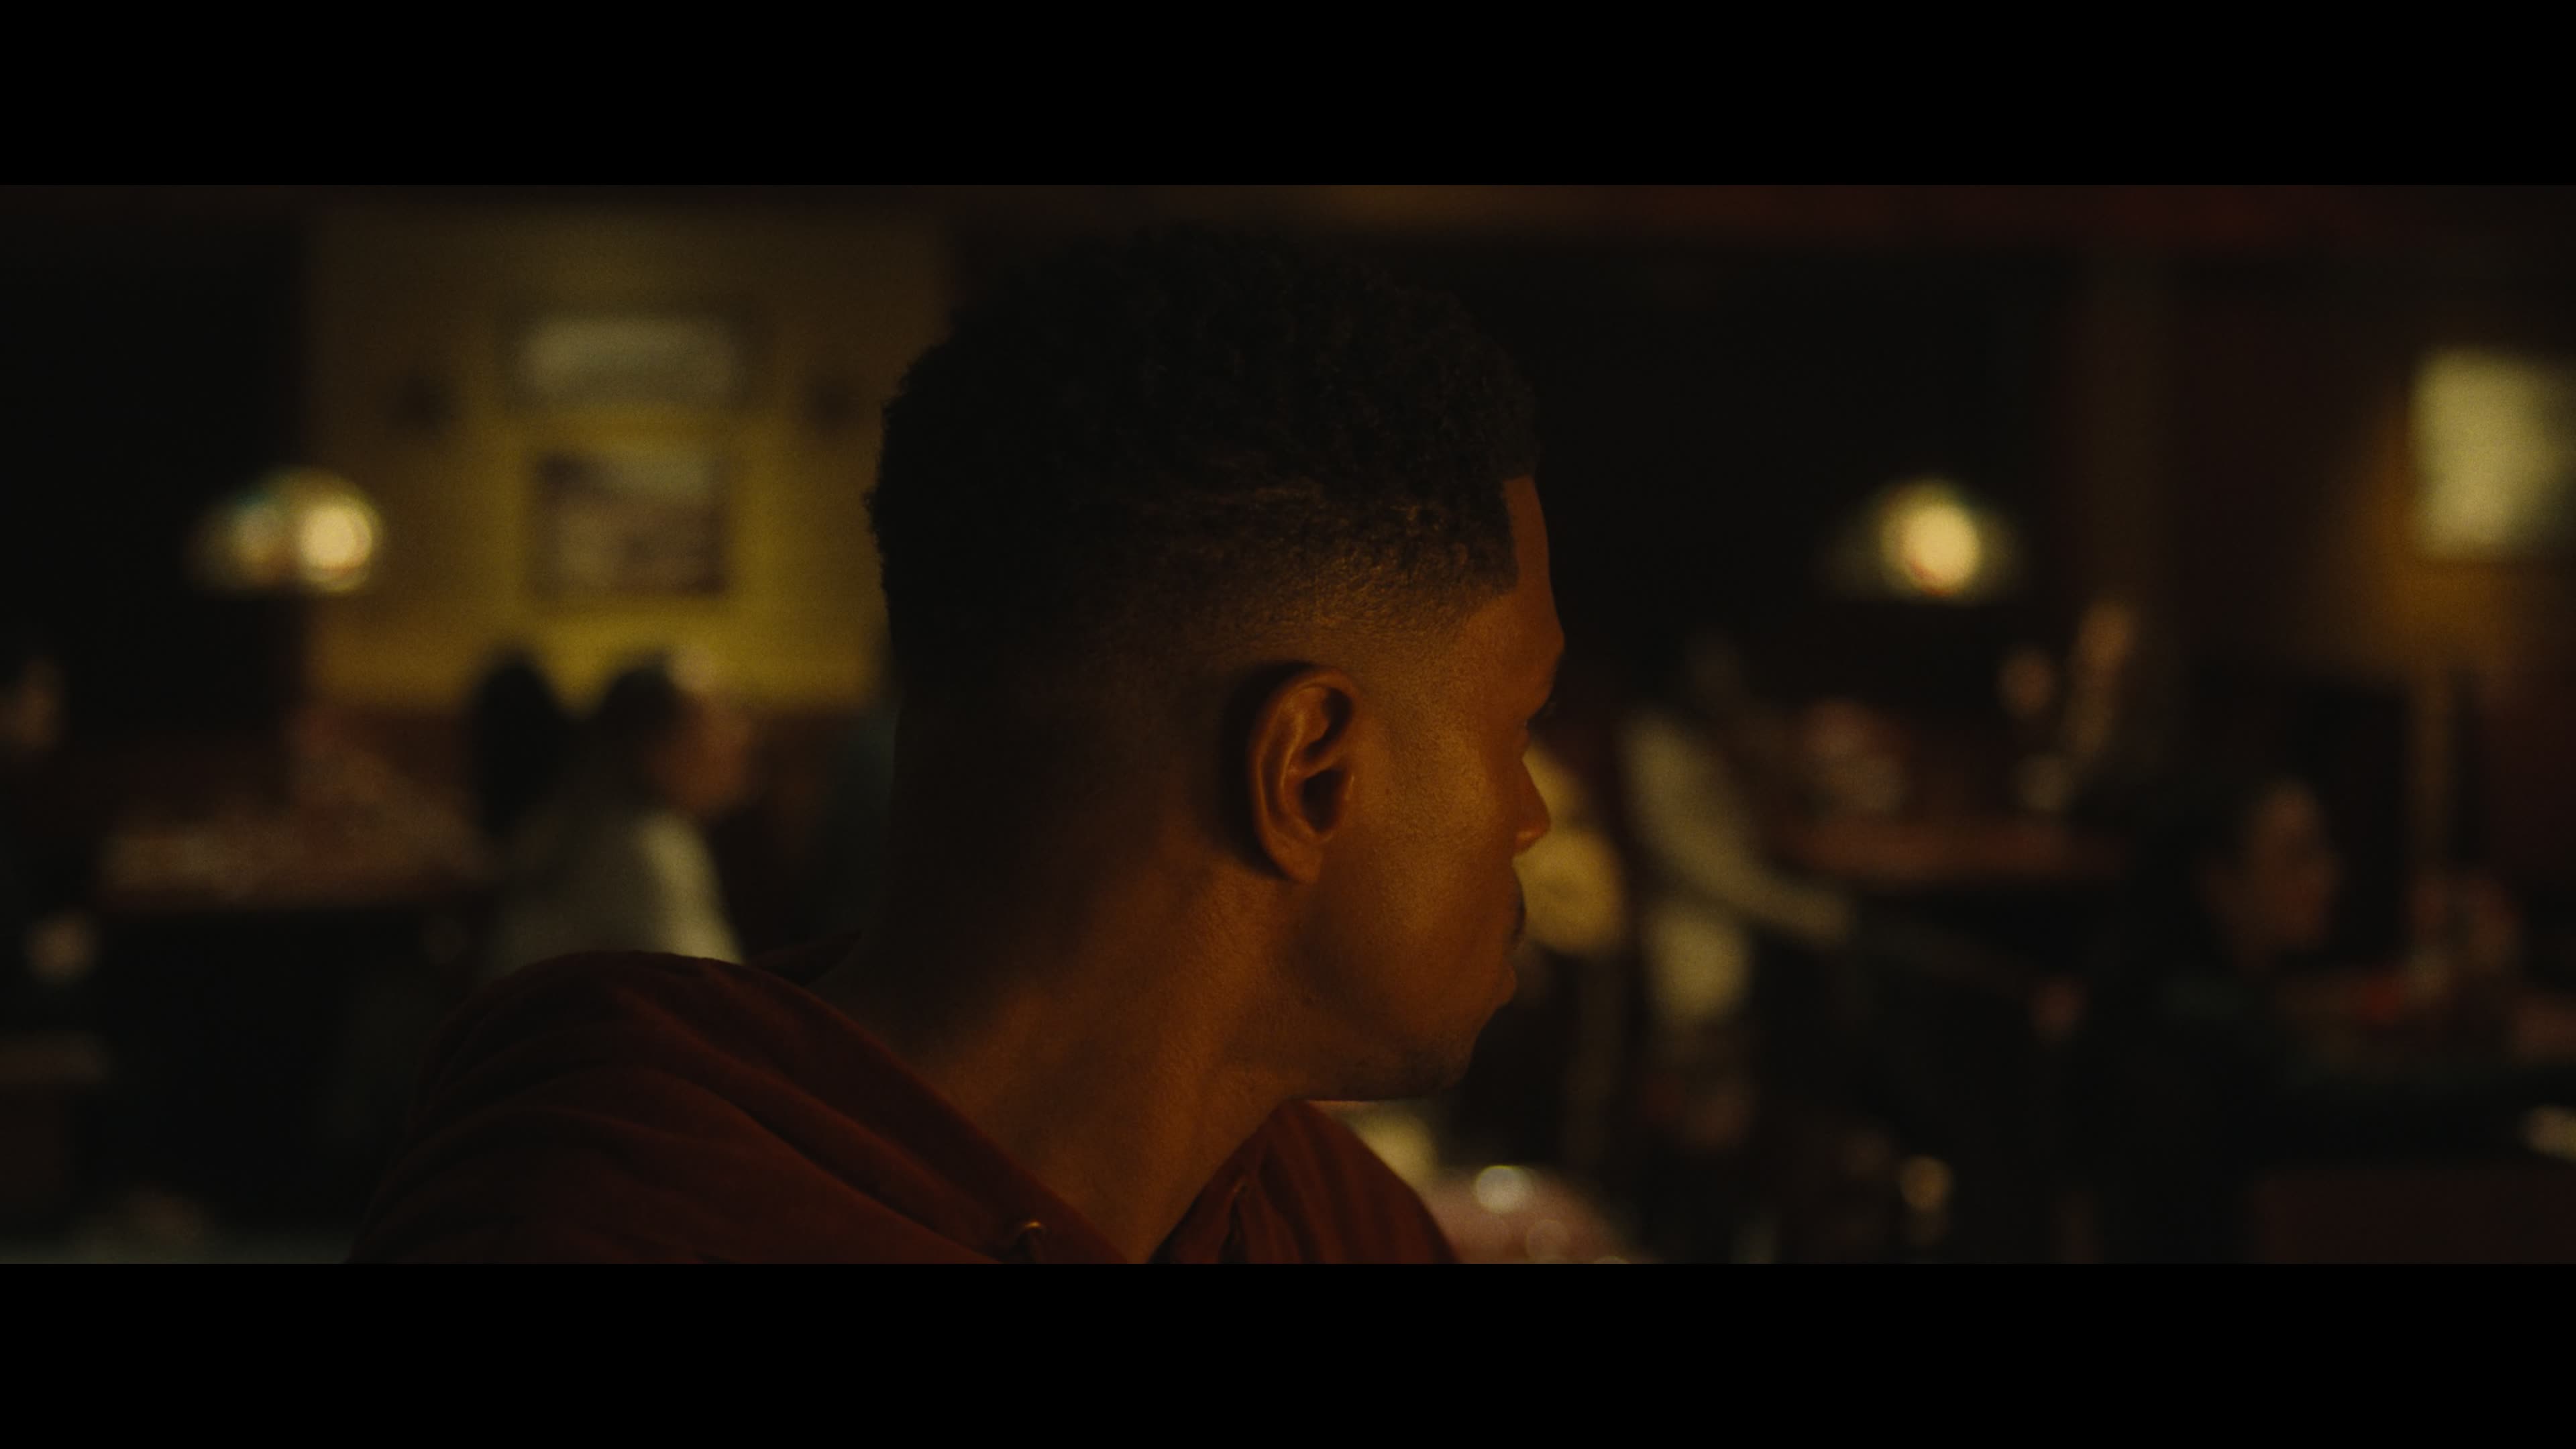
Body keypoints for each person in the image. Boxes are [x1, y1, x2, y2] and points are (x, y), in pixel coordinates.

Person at [350, 229, 1558, 1263]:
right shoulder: (618, 1221)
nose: (1530, 815)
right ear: (1308, 767)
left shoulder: (1326, 1220)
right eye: (1515, 725)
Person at [479, 652, 754, 980]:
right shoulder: (641, 846)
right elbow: (713, 992)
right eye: (718, 718)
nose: (742, 737)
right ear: (651, 747)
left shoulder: (585, 815)